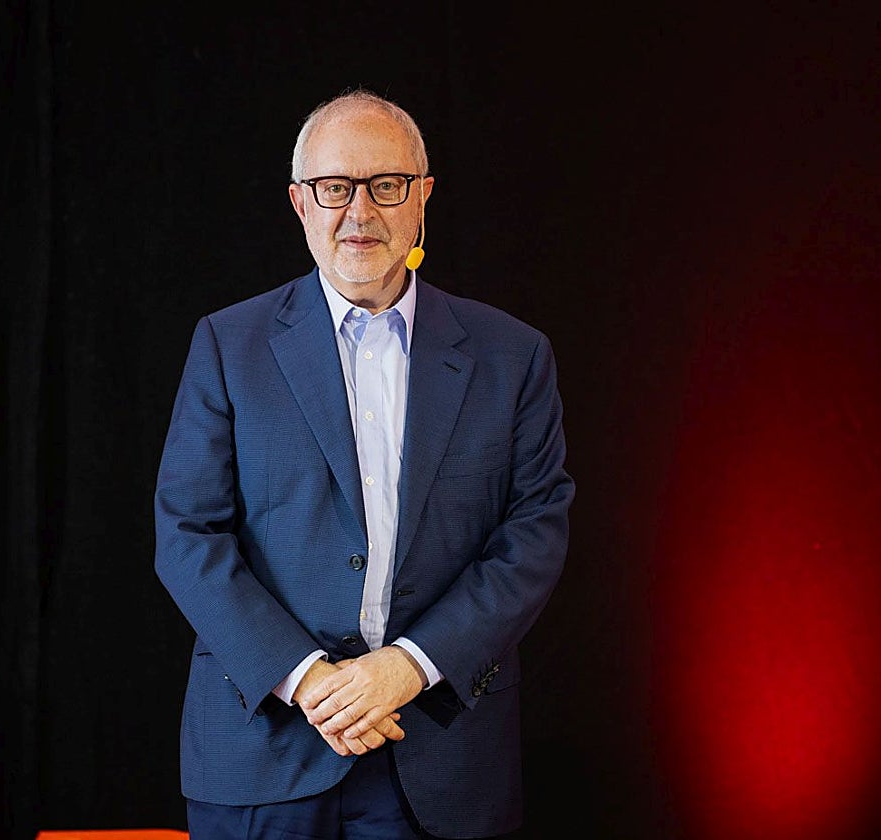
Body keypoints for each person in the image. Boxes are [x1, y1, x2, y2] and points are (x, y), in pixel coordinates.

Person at [153, 88, 574, 839]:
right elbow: (188, 535)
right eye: (334, 188)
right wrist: (309, 680)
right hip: (266, 748)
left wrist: (409, 665)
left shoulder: (513, 355)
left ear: (423, 197)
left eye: (386, 185)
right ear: (299, 203)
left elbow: (534, 534)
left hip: (441, 750)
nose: (360, 213)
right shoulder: (228, 345)